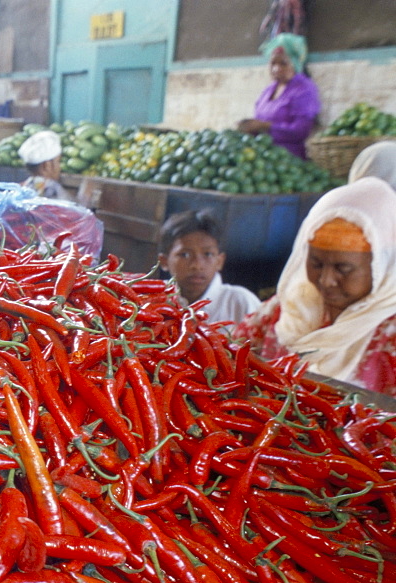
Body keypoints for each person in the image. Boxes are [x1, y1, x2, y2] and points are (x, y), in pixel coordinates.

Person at [235, 177, 396, 396]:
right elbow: (230, 354)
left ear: (382, 266)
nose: (326, 280)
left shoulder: (390, 334)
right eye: (316, 264)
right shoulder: (285, 309)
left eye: (343, 268)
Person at [158, 210, 260, 325]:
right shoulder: (154, 300)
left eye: (208, 254)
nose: (197, 265)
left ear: (220, 261)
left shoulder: (241, 302)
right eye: (185, 255)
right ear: (164, 261)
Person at [237, 33, 320, 159]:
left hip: (288, 160)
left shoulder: (304, 89)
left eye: (283, 63)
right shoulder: (268, 90)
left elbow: (301, 131)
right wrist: (249, 127)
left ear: (295, 63)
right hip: (263, 156)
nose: (276, 68)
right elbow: (258, 121)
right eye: (273, 63)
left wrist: (265, 126)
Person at [17, 130, 75, 201]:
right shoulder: (53, 190)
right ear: (46, 165)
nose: (60, 168)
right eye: (58, 162)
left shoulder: (23, 187)